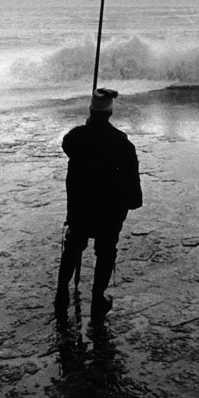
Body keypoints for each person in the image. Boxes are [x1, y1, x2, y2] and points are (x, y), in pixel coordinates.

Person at [55, 87, 143, 319]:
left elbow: (69, 145)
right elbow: (132, 180)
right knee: (105, 251)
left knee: (73, 244)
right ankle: (97, 298)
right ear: (110, 113)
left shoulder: (75, 138)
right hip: (110, 211)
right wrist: (133, 201)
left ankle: (61, 291)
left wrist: (87, 127)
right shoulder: (122, 144)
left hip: (80, 206)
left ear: (91, 111)